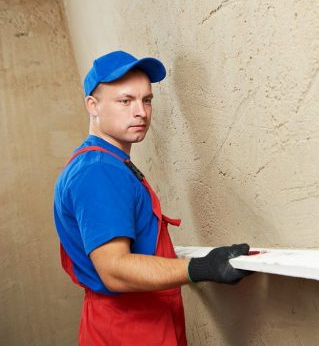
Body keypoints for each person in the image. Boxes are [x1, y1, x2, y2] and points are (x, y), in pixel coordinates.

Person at [53, 50, 252, 346]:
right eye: (125, 101)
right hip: (130, 328)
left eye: (146, 100)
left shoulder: (107, 162)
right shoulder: (99, 171)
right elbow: (115, 270)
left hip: (133, 321)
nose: (141, 112)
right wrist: (202, 268)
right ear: (92, 106)